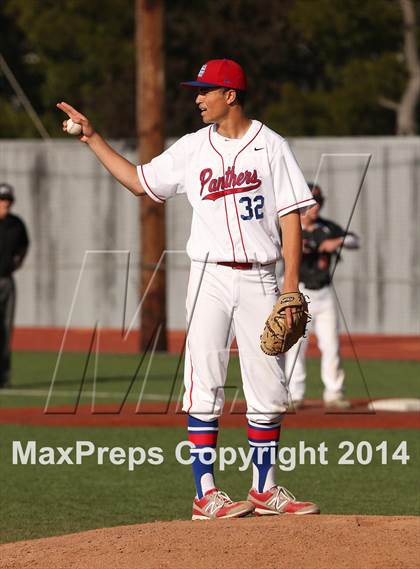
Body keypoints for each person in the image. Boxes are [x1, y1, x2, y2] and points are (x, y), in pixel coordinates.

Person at [57, 58, 320, 519]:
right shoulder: (192, 148)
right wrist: (91, 138)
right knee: (205, 385)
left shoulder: (271, 146)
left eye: (206, 90)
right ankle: (204, 493)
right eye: (196, 91)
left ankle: (264, 488)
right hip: (209, 276)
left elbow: (291, 216)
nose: (197, 98)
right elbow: (139, 182)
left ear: (230, 95)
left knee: (268, 388)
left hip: (261, 276)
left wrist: (290, 286)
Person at [285, 183, 360, 409]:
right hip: (300, 291)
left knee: (331, 344)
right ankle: (294, 394)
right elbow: (279, 249)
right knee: (297, 346)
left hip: (325, 292)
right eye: (311, 203)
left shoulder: (326, 228)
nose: (316, 208)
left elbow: (354, 240)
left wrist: (334, 242)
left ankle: (334, 393)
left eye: (318, 202)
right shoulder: (290, 227)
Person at [0, 183, 30, 388]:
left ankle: (3, 377)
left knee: (5, 329)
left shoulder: (16, 224)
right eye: (2, 200)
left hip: (7, 280)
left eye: (8, 200)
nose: (5, 204)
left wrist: (18, 262)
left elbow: (24, 245)